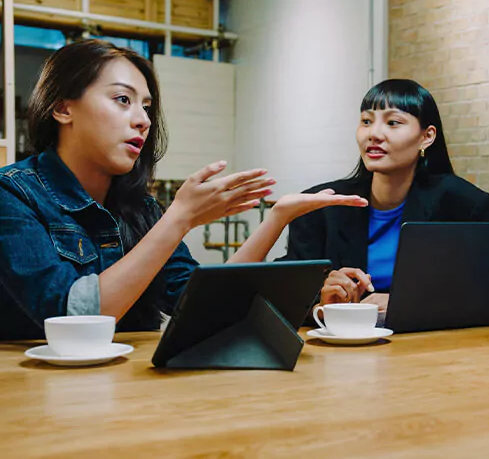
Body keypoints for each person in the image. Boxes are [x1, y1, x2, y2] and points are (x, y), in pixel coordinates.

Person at [0, 39, 367, 340]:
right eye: (122, 100)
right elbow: (71, 321)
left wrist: (277, 218)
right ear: (63, 108)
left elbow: (204, 303)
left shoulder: (139, 208)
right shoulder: (14, 194)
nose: (143, 120)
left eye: (147, 106)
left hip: (130, 392)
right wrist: (179, 219)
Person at [283, 79, 489, 310]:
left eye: (393, 122)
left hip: (431, 343)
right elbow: (287, 293)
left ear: (427, 137)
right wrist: (322, 305)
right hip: (340, 342)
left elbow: (483, 296)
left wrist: (405, 304)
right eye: (366, 121)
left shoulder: (465, 205)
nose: (374, 134)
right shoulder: (320, 204)